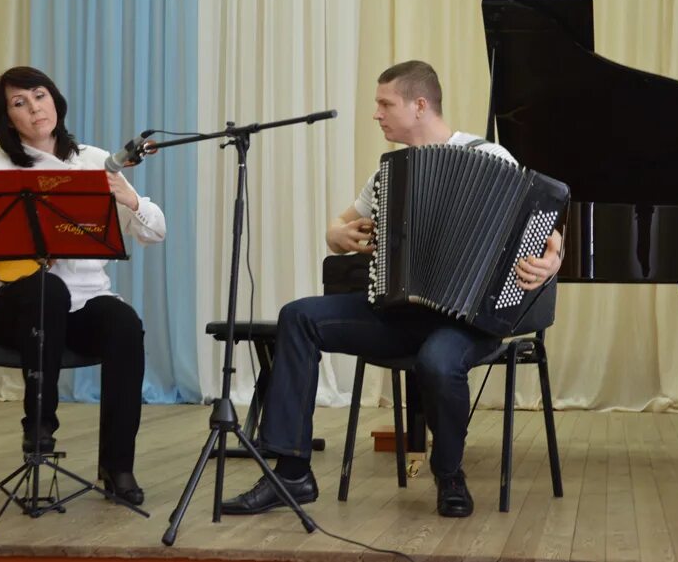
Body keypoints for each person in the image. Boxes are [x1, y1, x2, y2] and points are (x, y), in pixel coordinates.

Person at [221, 60, 563, 518]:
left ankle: (449, 474)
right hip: (399, 314)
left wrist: (552, 259)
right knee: (298, 316)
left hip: (472, 320)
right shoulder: (388, 174)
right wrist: (336, 234)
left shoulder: (491, 157)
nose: (377, 114)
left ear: (419, 105)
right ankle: (291, 473)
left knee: (438, 361)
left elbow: (547, 230)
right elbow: (339, 229)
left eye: (385, 104)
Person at [0, 66, 166, 506]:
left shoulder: (97, 162)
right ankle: (39, 426)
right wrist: (3, 242)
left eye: (39, 95)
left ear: (55, 100)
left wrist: (131, 199)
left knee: (123, 323)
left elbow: (155, 232)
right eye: (19, 103)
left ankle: (117, 466)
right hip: (12, 308)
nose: (34, 108)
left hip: (85, 305)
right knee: (48, 290)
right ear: (7, 120)